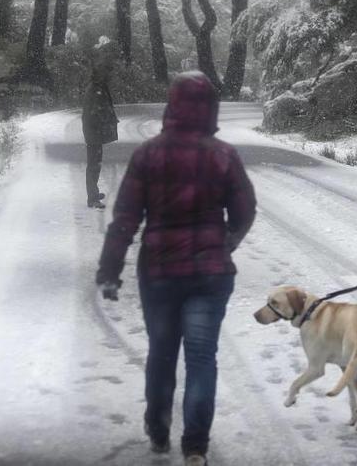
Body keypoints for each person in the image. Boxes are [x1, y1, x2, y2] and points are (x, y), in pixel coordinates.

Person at [95, 71, 257, 466]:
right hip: (210, 273)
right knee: (202, 356)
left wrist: (110, 268)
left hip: (160, 273)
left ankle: (158, 428)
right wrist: (226, 242)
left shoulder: (149, 154)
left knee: (162, 352)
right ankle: (196, 446)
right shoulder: (223, 155)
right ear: (211, 109)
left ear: (172, 106)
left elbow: (126, 218)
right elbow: (244, 210)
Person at [81, 46, 119, 209]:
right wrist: (106, 120)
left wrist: (110, 119)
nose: (109, 76)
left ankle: (94, 193)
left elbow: (102, 108)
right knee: (93, 164)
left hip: (94, 131)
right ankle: (92, 198)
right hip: (93, 132)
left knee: (96, 163)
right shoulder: (95, 89)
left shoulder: (98, 87)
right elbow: (95, 111)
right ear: (101, 73)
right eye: (107, 73)